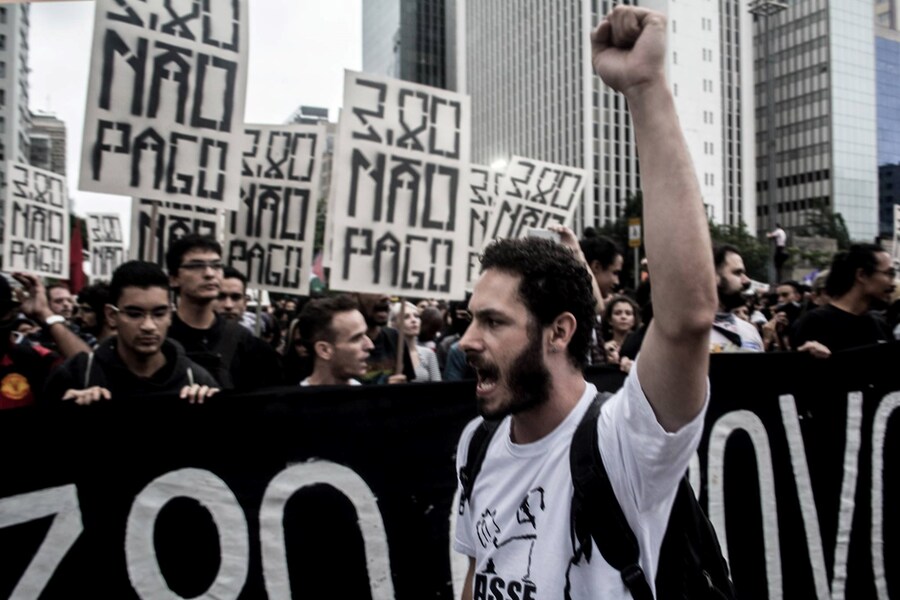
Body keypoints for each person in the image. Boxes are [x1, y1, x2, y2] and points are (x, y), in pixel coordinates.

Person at [454, 6, 718, 597]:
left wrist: (645, 88)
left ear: (559, 331)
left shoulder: (623, 444)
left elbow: (687, 319)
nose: (468, 341)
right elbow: (479, 574)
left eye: (494, 322)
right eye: (472, 319)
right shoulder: (477, 446)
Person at [43, 261, 220, 405]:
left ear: (170, 316)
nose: (148, 326)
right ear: (112, 316)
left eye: (159, 314)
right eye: (134, 314)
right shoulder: (77, 374)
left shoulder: (195, 379)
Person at [166, 234, 284, 391]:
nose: (209, 273)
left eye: (216, 265)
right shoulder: (159, 340)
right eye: (196, 266)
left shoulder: (249, 346)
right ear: (174, 278)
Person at [791, 244, 895, 358]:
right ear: (862, 275)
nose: (893, 283)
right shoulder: (816, 322)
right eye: (889, 274)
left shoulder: (880, 324)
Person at [297, 295, 374, 386]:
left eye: (365, 334)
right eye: (356, 338)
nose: (370, 345)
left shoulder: (369, 398)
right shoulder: (297, 400)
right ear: (324, 350)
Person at [710, 244, 764, 353]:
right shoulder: (687, 333)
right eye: (737, 273)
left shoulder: (750, 331)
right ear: (713, 276)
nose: (747, 281)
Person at [354, 292, 415, 384]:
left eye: (388, 291)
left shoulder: (395, 337)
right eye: (375, 290)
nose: (386, 297)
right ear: (355, 295)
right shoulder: (343, 343)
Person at [390, 301, 442, 382]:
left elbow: (438, 388)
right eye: (406, 317)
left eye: (416, 316)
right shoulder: (387, 354)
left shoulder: (428, 354)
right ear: (393, 323)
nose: (414, 320)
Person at [601, 294, 641, 367]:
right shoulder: (602, 347)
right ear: (609, 320)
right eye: (618, 313)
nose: (623, 317)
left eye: (628, 313)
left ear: (634, 320)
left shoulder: (641, 347)